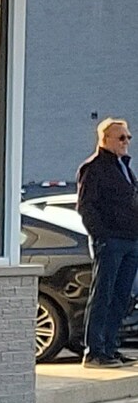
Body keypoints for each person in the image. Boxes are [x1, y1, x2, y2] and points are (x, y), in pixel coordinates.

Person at [76, 118, 138, 366]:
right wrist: (101, 236)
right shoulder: (94, 167)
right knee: (103, 294)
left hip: (131, 241)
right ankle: (94, 351)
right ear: (105, 139)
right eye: (121, 138)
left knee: (121, 296)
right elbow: (86, 206)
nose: (126, 142)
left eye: (128, 137)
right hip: (110, 241)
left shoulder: (124, 168)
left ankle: (110, 348)